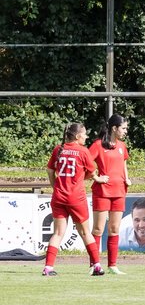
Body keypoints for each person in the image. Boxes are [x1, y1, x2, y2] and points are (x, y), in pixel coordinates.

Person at [43, 122, 106, 276]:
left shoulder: (59, 149)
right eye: (84, 134)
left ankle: (48, 267)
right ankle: (97, 266)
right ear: (78, 136)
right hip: (76, 198)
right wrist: (98, 178)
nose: (86, 136)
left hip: (58, 196)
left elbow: (50, 170)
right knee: (85, 232)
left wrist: (55, 186)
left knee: (58, 233)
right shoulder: (83, 151)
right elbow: (91, 172)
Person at [89, 113, 131, 274]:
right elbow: (86, 162)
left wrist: (126, 178)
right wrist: (96, 177)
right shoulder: (98, 145)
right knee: (98, 229)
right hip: (102, 191)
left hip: (119, 191)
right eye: (124, 128)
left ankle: (112, 265)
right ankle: (94, 264)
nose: (125, 131)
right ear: (114, 128)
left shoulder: (122, 146)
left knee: (114, 229)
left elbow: (124, 163)